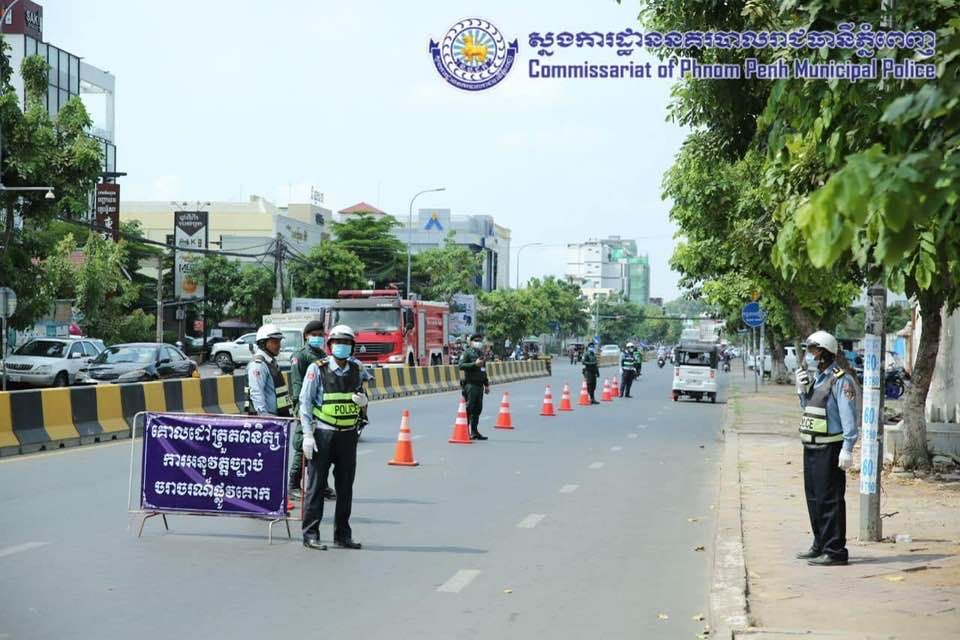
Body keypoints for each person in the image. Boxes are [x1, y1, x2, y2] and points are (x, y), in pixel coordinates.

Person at [299, 325, 371, 551]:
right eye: (338, 342)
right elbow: (305, 402)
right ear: (330, 346)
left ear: (352, 346)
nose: (342, 346)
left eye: (346, 343)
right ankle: (310, 534)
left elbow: (364, 395)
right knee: (316, 487)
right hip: (323, 433)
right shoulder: (317, 368)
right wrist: (307, 435)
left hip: (348, 435)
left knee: (345, 487)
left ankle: (343, 535)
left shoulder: (357, 368)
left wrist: (365, 402)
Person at [794, 330, 859, 567]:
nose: (809, 355)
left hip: (831, 448)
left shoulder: (841, 380)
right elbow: (810, 408)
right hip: (812, 446)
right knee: (814, 498)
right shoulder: (817, 379)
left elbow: (848, 417)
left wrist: (848, 447)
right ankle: (820, 544)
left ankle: (835, 550)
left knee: (830, 500)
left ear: (824, 353)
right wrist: (801, 391)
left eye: (812, 350)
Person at [288, 320, 335, 503]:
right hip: (306, 406)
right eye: (314, 335)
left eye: (320, 335)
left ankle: (320, 485)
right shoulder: (300, 356)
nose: (318, 338)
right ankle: (293, 485)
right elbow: (297, 384)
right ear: (306, 336)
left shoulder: (322, 354)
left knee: (322, 447)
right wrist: (299, 408)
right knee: (303, 445)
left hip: (322, 407)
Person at [244, 324, 291, 417]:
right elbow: (256, 392)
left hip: (278, 416)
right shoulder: (258, 365)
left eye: (279, 341)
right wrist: (264, 417)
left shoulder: (270, 362)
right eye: (274, 342)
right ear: (262, 343)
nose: (279, 345)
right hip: (267, 418)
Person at [458, 333, 491, 440]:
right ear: (471, 342)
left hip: (480, 385)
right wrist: (474, 364)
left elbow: (483, 370)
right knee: (469, 408)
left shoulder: (481, 354)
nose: (478, 343)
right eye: (476, 341)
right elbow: (461, 365)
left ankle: (474, 432)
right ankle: (465, 431)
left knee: (478, 409)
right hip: (470, 385)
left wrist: (486, 384)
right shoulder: (467, 353)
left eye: (479, 341)